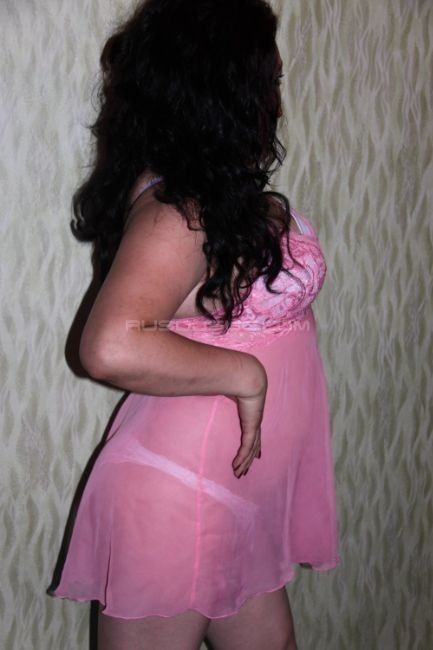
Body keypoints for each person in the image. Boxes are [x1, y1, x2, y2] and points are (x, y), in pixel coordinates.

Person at [48, 0, 340, 648]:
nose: (276, 92)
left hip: (237, 497)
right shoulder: (177, 212)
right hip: (178, 500)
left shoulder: (219, 198)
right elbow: (109, 346)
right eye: (266, 76)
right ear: (224, 87)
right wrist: (245, 375)